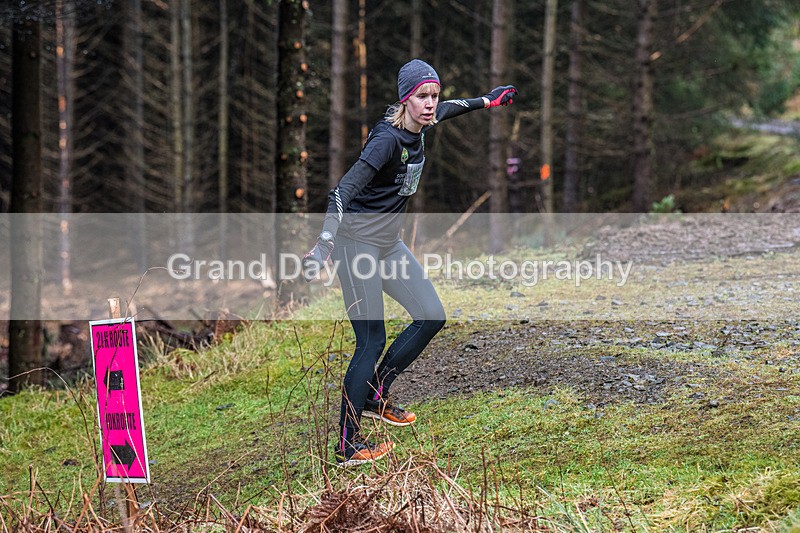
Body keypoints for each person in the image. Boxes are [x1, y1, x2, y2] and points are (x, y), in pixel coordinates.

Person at [304, 59, 517, 467]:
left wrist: (488, 102)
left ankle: (374, 395)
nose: (431, 104)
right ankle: (348, 444)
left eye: (433, 96)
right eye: (422, 97)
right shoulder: (386, 140)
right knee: (371, 340)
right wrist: (324, 244)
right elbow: (340, 192)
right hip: (356, 248)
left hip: (388, 246)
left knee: (431, 315)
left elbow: (453, 106)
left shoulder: (424, 123)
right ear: (405, 99)